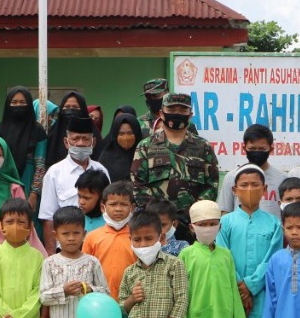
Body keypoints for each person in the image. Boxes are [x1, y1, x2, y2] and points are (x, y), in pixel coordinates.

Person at [219, 166, 284, 318]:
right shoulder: (225, 223)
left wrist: (251, 286)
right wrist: (240, 285)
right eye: (244, 185)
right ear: (234, 189)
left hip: (263, 298)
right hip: (233, 297)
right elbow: (223, 257)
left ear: (264, 189)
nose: (249, 189)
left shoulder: (274, 223)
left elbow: (273, 259)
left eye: (255, 185)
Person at [181, 200, 248, 318]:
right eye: (202, 225)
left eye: (212, 224)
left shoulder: (226, 255)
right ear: (192, 227)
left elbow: (233, 292)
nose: (208, 228)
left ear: (219, 225)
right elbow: (181, 294)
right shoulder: (186, 255)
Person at [132, 92, 218, 223]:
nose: (177, 113)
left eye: (183, 110)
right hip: (156, 225)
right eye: (171, 109)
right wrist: (161, 215)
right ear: (161, 114)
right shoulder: (145, 147)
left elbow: (212, 185)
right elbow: (138, 185)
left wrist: (192, 213)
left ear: (190, 115)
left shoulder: (203, 147)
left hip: (193, 224)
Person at [39, 115, 109, 253]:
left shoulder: (101, 170)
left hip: (100, 246)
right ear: (66, 142)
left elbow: (109, 209)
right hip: (66, 249)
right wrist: (51, 253)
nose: (81, 143)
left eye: (85, 139)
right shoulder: (54, 173)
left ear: (93, 142)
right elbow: (48, 218)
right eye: (75, 138)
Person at [118, 210, 188, 318]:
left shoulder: (174, 265)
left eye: (149, 238)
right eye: (137, 239)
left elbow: (182, 299)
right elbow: (122, 308)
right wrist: (132, 299)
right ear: (130, 239)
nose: (143, 244)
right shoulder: (129, 272)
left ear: (161, 238)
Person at [84, 180, 138, 306]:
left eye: (124, 204)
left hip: (132, 301)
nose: (118, 209)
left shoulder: (137, 237)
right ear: (103, 207)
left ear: (132, 208)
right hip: (100, 301)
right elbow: (86, 270)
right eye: (113, 204)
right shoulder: (92, 237)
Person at [0, 86, 48, 211]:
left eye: (23, 102)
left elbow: (40, 165)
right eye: (14, 102)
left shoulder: (37, 130)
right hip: (4, 184)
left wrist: (34, 194)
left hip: (28, 182)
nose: (18, 106)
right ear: (8, 105)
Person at [218, 124, 286, 218]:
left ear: (271, 149)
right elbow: (225, 212)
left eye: (262, 149)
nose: (257, 152)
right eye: (252, 149)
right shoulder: (231, 177)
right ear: (244, 148)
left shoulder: (282, 179)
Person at [45, 91, 89, 168]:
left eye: (75, 107)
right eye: (67, 107)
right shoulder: (53, 132)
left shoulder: (92, 132)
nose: (71, 110)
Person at [96, 111, 143, 184]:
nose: (126, 137)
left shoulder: (144, 154)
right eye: (121, 134)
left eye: (130, 133)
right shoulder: (105, 159)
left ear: (136, 133)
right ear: (115, 135)